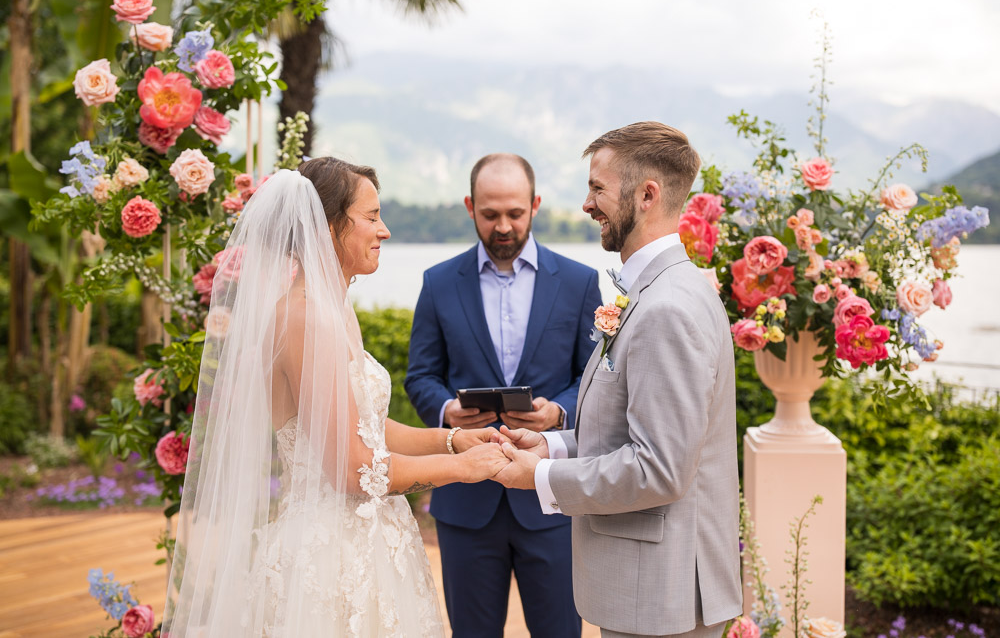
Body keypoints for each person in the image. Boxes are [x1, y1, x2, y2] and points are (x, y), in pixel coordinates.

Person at [162, 158, 511, 637]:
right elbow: (352, 470)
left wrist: (451, 441)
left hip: (371, 544)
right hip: (329, 562)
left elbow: (363, 425)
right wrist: (464, 470)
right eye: (371, 216)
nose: (384, 230)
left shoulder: (333, 308)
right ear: (328, 226)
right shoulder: (305, 318)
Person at [494, 123, 743, 638]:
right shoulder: (663, 289)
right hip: (653, 589)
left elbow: (658, 469)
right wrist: (551, 446)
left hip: (661, 594)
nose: (587, 205)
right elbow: (630, 430)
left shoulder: (667, 307)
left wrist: (539, 477)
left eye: (597, 188)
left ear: (647, 195)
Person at [405, 153, 602, 637]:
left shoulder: (579, 282)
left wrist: (559, 412)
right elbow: (420, 375)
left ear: (535, 205)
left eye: (515, 213)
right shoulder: (437, 283)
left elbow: (596, 376)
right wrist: (448, 410)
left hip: (552, 498)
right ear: (469, 206)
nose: (503, 227)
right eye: (490, 214)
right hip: (465, 502)